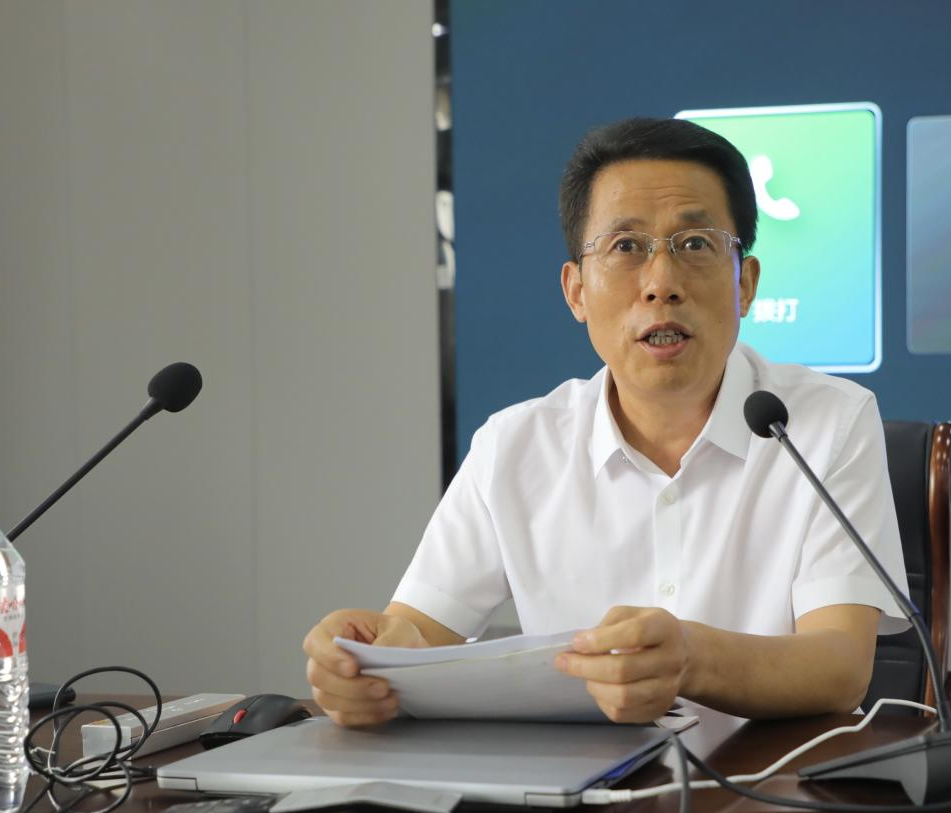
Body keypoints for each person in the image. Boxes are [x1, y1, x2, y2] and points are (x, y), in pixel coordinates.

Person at [304, 117, 908, 727]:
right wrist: (365, 664)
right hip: (577, 786)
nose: (662, 284)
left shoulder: (828, 423)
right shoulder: (513, 447)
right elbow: (415, 637)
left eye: (695, 244)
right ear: (576, 292)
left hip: (770, 782)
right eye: (626, 247)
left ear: (744, 284)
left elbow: (840, 666)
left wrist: (691, 657)